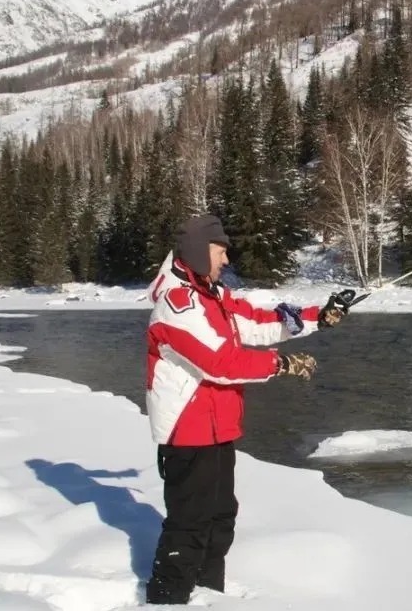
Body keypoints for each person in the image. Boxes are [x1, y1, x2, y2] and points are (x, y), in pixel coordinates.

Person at [143, 214, 346, 605]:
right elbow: (220, 362)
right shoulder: (177, 306)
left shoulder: (212, 295)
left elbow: (258, 322)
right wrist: (281, 364)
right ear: (200, 253)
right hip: (188, 431)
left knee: (221, 517)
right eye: (220, 252)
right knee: (190, 523)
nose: (225, 261)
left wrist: (317, 317)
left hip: (218, 427)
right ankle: (167, 598)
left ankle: (208, 594)